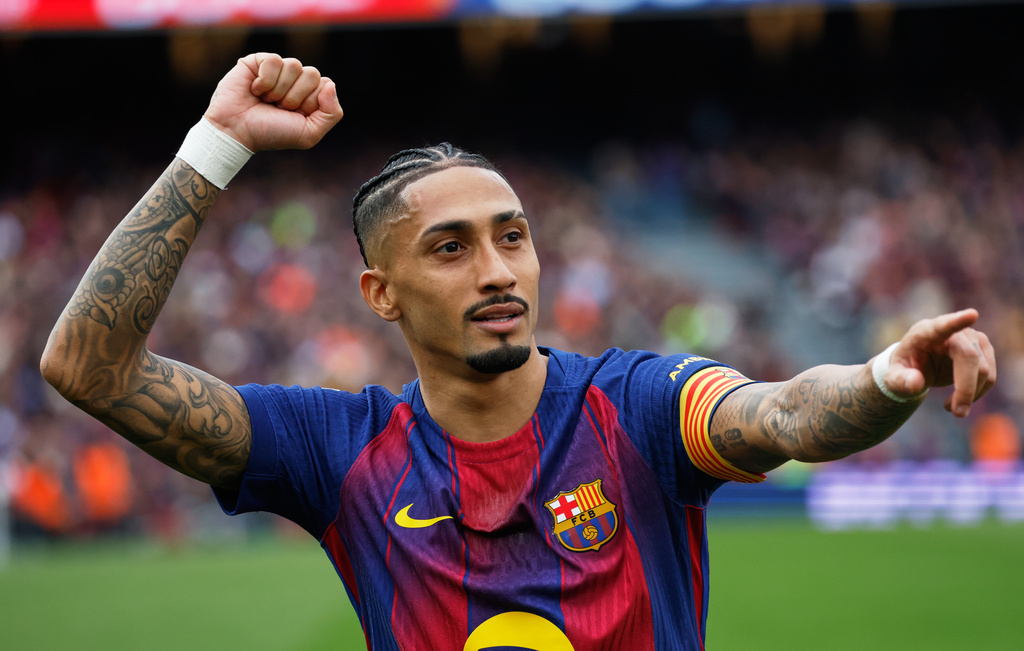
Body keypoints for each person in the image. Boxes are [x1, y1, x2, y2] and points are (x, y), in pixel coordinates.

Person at [40, 53, 997, 650]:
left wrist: (883, 375)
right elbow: (89, 367)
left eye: (514, 235)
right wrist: (214, 146)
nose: (498, 270)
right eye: (450, 248)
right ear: (380, 293)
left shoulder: (638, 405)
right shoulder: (335, 449)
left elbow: (782, 411)